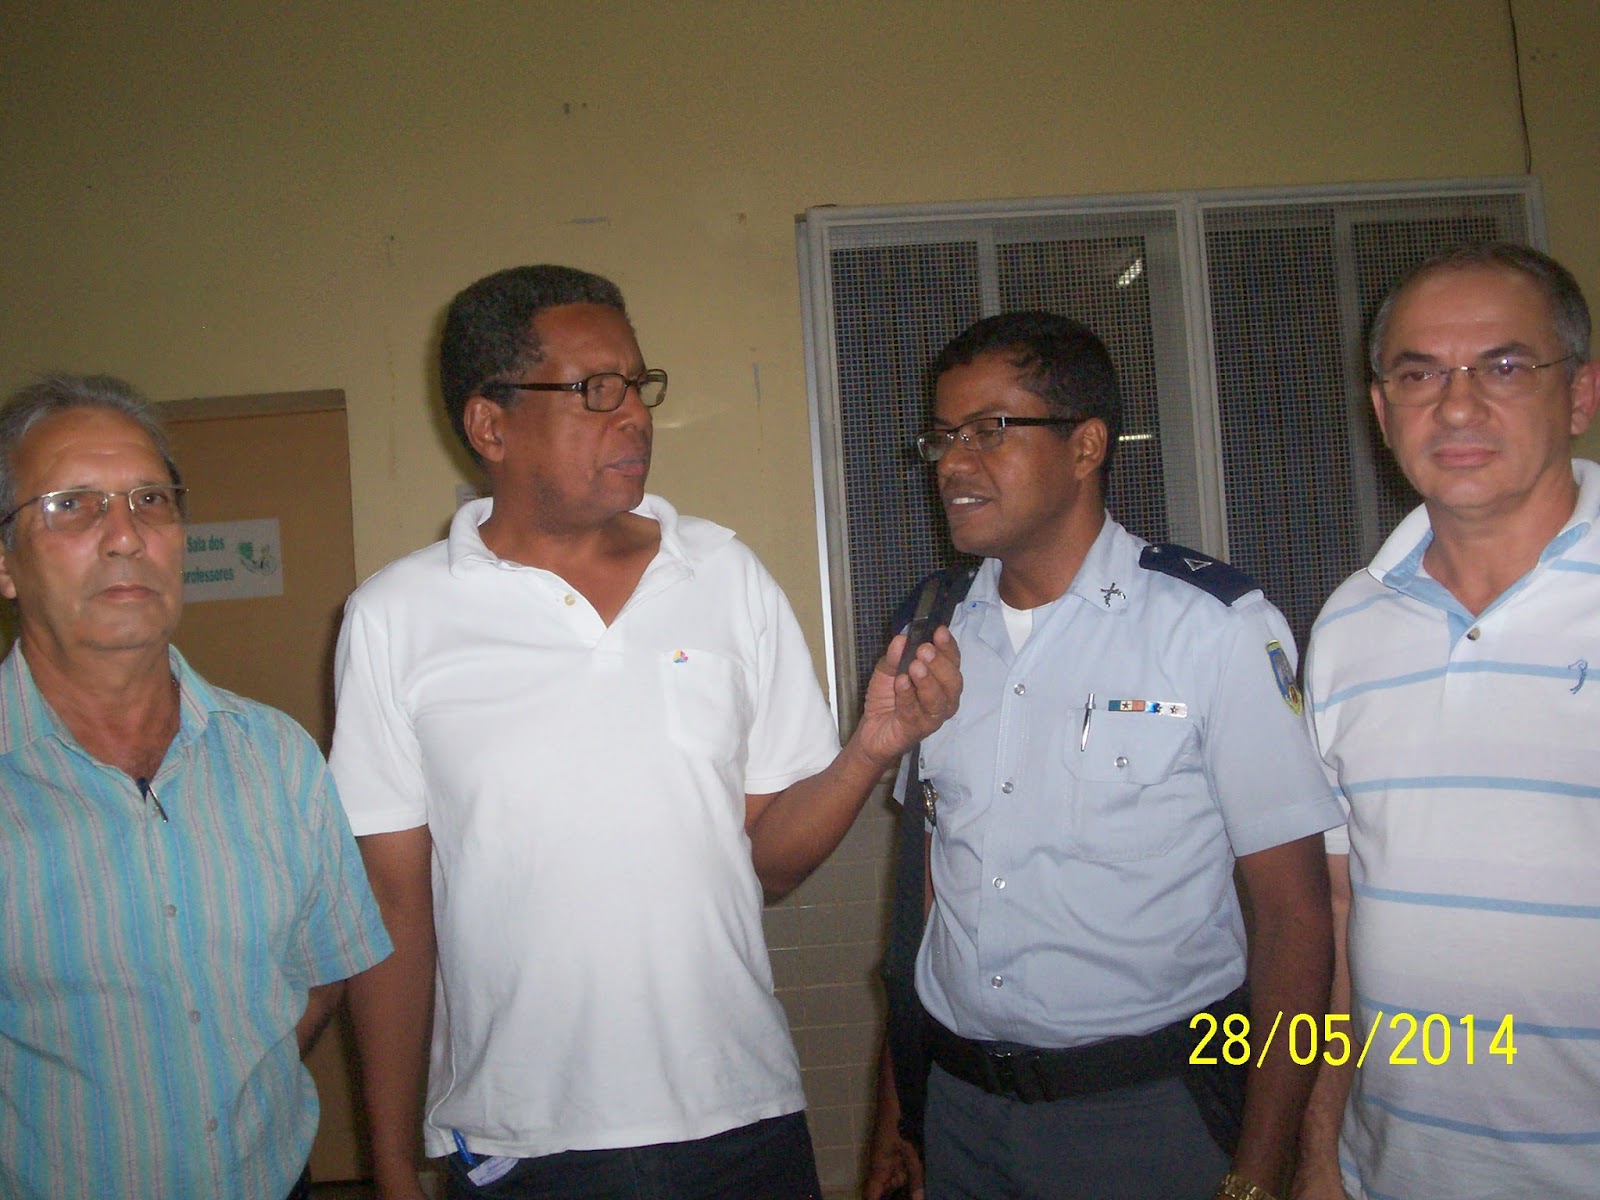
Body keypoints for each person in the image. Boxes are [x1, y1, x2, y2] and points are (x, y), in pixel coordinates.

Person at [330, 264, 961, 1200]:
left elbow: (771, 863)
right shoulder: (395, 618)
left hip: (740, 1119)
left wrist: (869, 749)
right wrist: (389, 1163)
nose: (632, 415)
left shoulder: (726, 576)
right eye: (594, 389)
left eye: (636, 384)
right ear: (490, 425)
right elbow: (392, 909)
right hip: (521, 1141)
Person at [864, 312, 1343, 1200]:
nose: (953, 464)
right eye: (942, 436)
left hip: (1150, 1112)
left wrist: (1262, 1166)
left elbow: (1296, 918)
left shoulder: (1211, 628)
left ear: (1086, 446)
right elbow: (929, 906)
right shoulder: (932, 630)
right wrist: (905, 1112)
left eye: (988, 430)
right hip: (963, 1107)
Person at [0, 374, 391, 1200]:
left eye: (151, 500)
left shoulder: (278, 757)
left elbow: (323, 968)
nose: (125, 536)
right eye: (72, 505)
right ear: (5, 562)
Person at [1292, 243, 1600, 1200]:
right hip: (1390, 1171)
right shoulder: (1347, 625)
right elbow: (1344, 913)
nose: (1457, 407)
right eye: (1419, 374)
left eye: (1504, 367)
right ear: (1382, 412)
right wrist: (1320, 1152)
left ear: (1580, 393)